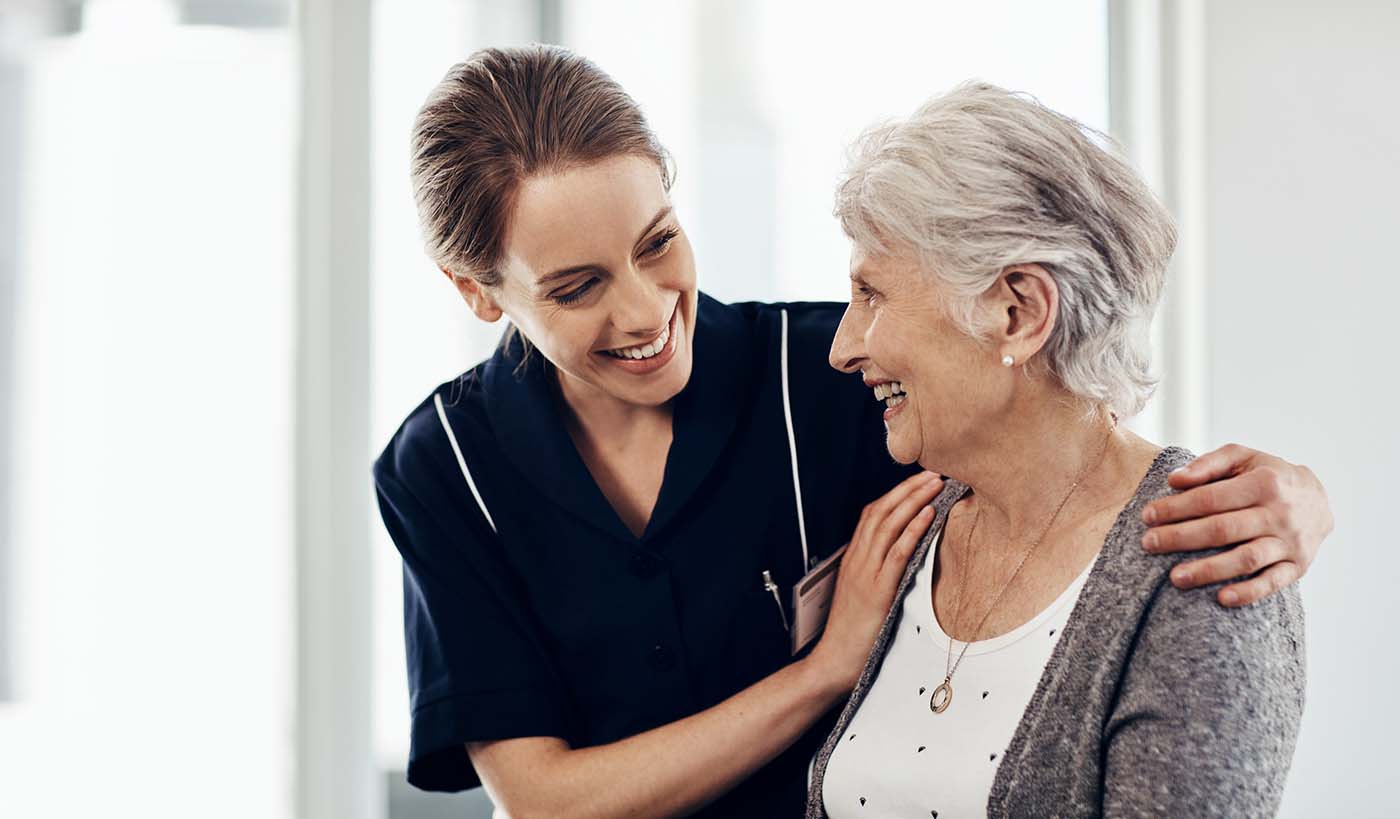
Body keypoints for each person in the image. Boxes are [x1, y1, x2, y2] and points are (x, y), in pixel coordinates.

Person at [373, 46, 1331, 819]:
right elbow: (543, 801)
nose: (646, 310)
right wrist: (824, 670)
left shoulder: (823, 377)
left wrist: (1299, 497)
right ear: (478, 292)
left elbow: (1051, 426)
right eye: (577, 288)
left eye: (658, 242)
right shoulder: (443, 466)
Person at [809, 82, 1307, 818]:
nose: (842, 348)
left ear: (1018, 312)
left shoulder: (1204, 565)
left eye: (872, 294)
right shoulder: (914, 512)